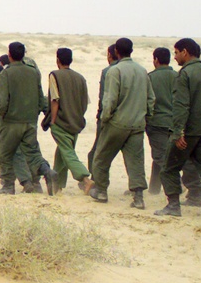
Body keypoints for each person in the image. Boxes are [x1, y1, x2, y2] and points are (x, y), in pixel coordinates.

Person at [89, 38, 155, 208]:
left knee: (101, 158)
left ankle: (102, 191)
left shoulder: (115, 71)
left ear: (116, 51)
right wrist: (146, 117)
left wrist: (104, 119)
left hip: (117, 123)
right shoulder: (142, 71)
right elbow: (151, 99)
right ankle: (138, 198)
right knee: (136, 162)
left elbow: (109, 100)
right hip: (137, 124)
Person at [0, 41, 57, 194]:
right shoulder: (33, 72)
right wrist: (43, 113)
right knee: (33, 153)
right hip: (30, 121)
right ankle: (47, 171)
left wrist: (2, 115)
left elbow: (4, 101)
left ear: (9, 55)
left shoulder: (6, 73)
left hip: (11, 121)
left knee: (6, 154)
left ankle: (8, 186)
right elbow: (40, 95)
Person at [155, 38, 201, 216]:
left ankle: (173, 206)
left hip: (189, 131)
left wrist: (178, 133)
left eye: (176, 53)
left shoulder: (184, 75)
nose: (174, 57)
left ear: (185, 52)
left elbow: (181, 106)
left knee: (169, 168)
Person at [47, 47, 94, 194]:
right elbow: (85, 102)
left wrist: (53, 120)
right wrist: (77, 116)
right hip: (76, 122)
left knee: (67, 153)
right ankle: (57, 186)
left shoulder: (55, 75)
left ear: (57, 60)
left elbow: (55, 100)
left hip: (61, 122)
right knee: (63, 152)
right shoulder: (80, 78)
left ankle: (85, 179)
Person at [88, 44, 120, 171]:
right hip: (130, 119)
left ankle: (94, 181)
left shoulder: (108, 71)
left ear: (110, 55)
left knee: (97, 152)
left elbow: (104, 98)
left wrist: (101, 116)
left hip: (109, 117)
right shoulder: (137, 70)